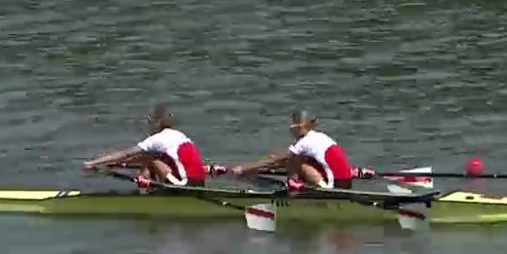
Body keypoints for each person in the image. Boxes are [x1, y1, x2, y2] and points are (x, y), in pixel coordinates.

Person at [228, 112, 362, 190]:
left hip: (334, 187)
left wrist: (243, 168)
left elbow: (276, 160)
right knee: (292, 159)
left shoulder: (305, 142)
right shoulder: (320, 136)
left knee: (292, 160)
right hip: (345, 182)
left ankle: (303, 187)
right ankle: (300, 183)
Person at [82, 105, 207, 188]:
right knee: (150, 159)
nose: (148, 127)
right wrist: (112, 165)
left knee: (151, 160)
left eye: (149, 123)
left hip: (185, 184)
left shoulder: (157, 139)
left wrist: (93, 163)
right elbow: (135, 158)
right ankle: (152, 190)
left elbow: (126, 154)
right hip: (200, 183)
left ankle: (147, 194)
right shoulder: (178, 135)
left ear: (156, 123)